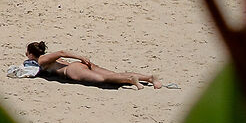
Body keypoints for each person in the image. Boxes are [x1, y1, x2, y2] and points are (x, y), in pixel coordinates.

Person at [22, 42, 156, 88]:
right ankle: (149, 78)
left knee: (103, 79)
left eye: (27, 53)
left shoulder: (41, 60)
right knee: (113, 74)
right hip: (77, 65)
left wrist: (80, 57)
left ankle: (131, 80)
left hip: (72, 70)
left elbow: (62, 52)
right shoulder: (46, 57)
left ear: (32, 54)